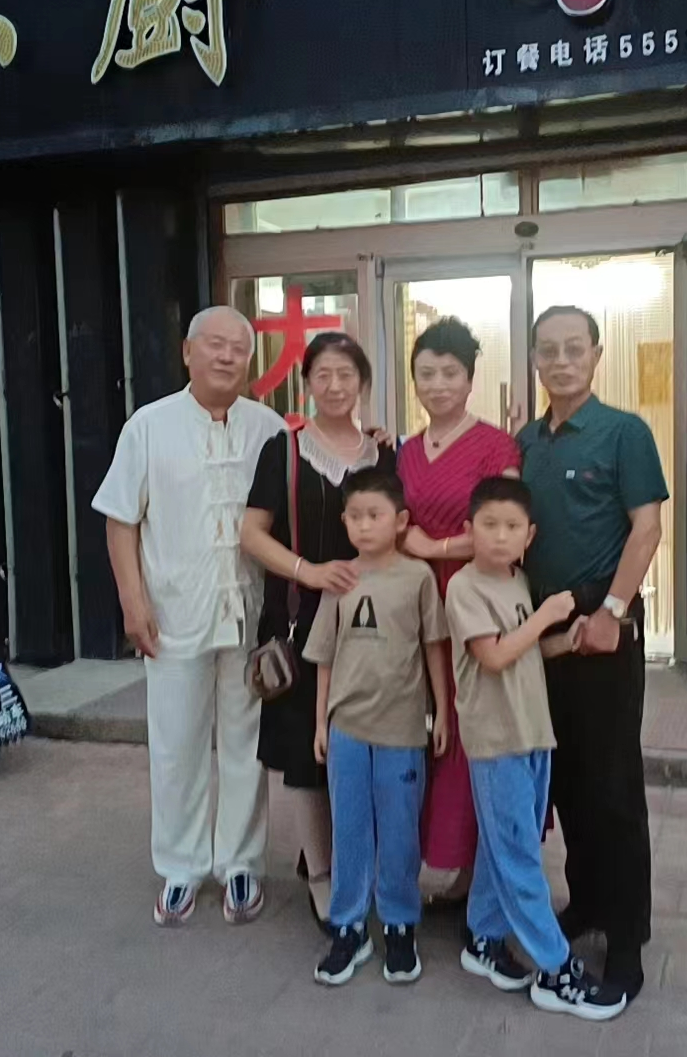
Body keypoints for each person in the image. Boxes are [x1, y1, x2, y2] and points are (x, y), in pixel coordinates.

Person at [92, 305, 286, 928]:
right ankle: (181, 866)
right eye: (215, 344)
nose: (227, 356)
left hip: (248, 613)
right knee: (176, 744)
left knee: (245, 744)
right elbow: (120, 519)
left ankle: (240, 863)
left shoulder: (269, 428)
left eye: (239, 347)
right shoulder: (148, 426)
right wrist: (133, 601)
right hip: (173, 613)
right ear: (187, 352)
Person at [518, 305, 667, 1003]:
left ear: (597, 354)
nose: (561, 361)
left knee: (613, 790)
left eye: (573, 348)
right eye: (548, 350)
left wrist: (612, 610)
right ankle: (587, 904)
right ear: (534, 359)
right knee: (568, 785)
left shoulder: (624, 433)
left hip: (603, 629)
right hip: (542, 633)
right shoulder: (526, 441)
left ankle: (627, 944)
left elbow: (647, 528)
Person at [446, 476, 626, 1022]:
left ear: (530, 535)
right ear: (468, 530)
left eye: (512, 527)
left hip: (533, 733)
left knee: (502, 845)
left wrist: (562, 640)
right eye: (489, 525)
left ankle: (483, 936)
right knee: (521, 857)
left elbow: (523, 651)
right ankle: (555, 970)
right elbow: (494, 657)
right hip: (496, 739)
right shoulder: (464, 588)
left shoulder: (519, 582)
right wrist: (548, 615)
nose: (500, 536)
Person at [240, 331, 397, 933]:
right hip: (300, 617)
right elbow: (251, 534)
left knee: (360, 742)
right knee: (305, 747)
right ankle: (322, 872)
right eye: (323, 375)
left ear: (363, 384)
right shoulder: (282, 451)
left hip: (371, 622)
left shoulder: (385, 454)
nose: (335, 386)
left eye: (346, 375)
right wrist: (308, 570)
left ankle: (347, 855)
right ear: (307, 383)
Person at [303, 469, 450, 986]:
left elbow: (434, 646)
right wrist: (321, 721)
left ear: (400, 520)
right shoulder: (339, 578)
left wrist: (442, 711)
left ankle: (400, 924)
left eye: (375, 515)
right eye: (355, 517)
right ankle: (347, 926)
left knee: (399, 831)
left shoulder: (418, 578)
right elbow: (324, 656)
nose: (364, 526)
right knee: (348, 828)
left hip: (402, 729)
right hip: (347, 727)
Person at [397, 318, 521, 900]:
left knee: (476, 729)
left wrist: (435, 548)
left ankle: (481, 869)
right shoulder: (404, 451)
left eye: (450, 373)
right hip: (418, 607)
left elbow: (505, 531)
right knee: (434, 726)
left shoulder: (497, 446)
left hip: (476, 600)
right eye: (426, 373)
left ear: (471, 379)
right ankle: (449, 862)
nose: (438, 384)